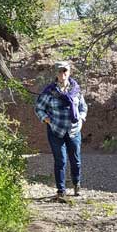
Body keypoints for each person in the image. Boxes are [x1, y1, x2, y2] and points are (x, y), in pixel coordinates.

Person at [35, 60, 88, 202]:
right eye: (60, 71)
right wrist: (46, 119)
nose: (62, 73)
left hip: (74, 130)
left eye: (65, 71)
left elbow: (83, 107)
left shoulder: (76, 89)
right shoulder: (49, 91)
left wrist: (82, 118)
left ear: (69, 72)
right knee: (60, 161)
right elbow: (39, 108)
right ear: (56, 73)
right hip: (55, 131)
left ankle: (77, 185)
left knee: (75, 160)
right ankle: (61, 190)